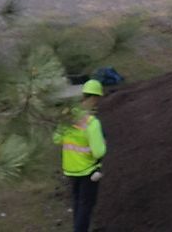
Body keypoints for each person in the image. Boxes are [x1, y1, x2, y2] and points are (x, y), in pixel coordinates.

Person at [54, 79, 108, 231]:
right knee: (86, 205)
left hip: (70, 168)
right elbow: (99, 151)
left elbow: (56, 138)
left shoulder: (67, 117)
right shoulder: (92, 123)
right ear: (95, 98)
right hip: (88, 170)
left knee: (77, 202)